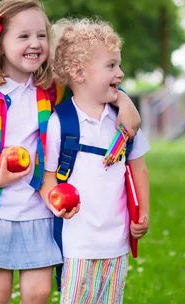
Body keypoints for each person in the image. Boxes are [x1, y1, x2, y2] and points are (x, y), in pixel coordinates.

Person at [0, 0, 141, 304]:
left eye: (41, 35)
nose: (35, 43)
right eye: (23, 36)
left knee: (38, 293)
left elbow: (92, 83)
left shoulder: (50, 89)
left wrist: (123, 101)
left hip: (36, 208)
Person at [41, 19, 151, 304]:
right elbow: (49, 175)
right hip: (77, 243)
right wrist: (56, 202)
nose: (121, 73)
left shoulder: (123, 121)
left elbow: (138, 166)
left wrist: (142, 214)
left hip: (116, 242)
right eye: (111, 66)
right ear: (79, 72)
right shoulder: (60, 123)